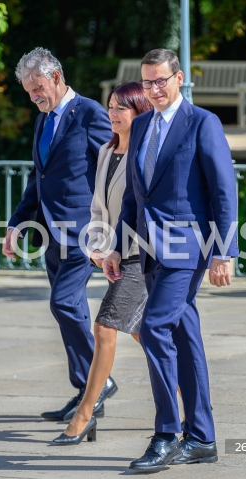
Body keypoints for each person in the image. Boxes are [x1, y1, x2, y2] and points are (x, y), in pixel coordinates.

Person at [102, 49, 239, 472]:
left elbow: (223, 189)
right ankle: (202, 438)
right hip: (145, 248)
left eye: (161, 80)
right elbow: (133, 194)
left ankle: (166, 433)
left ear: (178, 79)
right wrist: (116, 246)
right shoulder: (141, 124)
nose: (154, 89)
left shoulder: (203, 123)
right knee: (184, 336)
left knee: (154, 325)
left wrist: (224, 251)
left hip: (188, 248)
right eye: (147, 83)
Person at [2, 47, 117, 422]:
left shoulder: (89, 114)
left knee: (64, 303)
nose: (34, 96)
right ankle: (87, 390)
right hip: (50, 232)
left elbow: (114, 168)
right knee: (73, 310)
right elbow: (40, 178)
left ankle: (98, 385)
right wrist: (17, 222)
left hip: (84, 231)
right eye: (28, 91)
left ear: (54, 76)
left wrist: (112, 225)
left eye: (37, 88)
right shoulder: (43, 120)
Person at [52, 82, 153, 445]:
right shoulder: (107, 151)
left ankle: (84, 414)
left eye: (120, 108)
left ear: (140, 113)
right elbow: (98, 207)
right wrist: (98, 248)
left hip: (141, 256)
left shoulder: (146, 154)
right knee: (148, 335)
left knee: (104, 328)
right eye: (110, 107)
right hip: (113, 255)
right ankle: (182, 403)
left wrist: (117, 249)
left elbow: (143, 212)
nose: (112, 113)